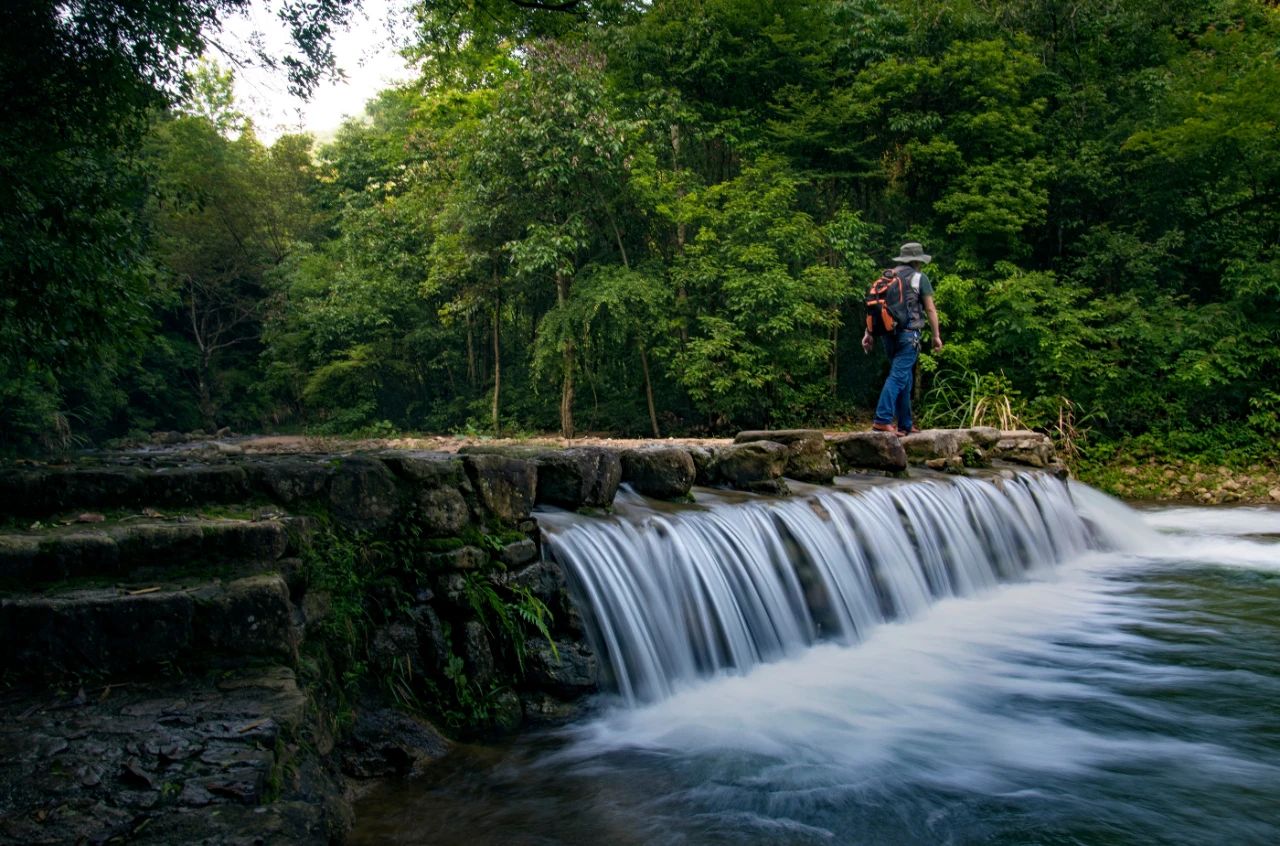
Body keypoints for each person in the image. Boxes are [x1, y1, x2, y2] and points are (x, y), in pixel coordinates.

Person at [862, 242, 943, 436]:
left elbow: (877, 306)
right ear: (917, 261)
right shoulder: (919, 278)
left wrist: (868, 333)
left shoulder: (888, 276)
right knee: (898, 376)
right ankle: (882, 419)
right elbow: (930, 308)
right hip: (909, 335)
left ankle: (905, 424)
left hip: (887, 334)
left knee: (904, 377)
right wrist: (936, 335)